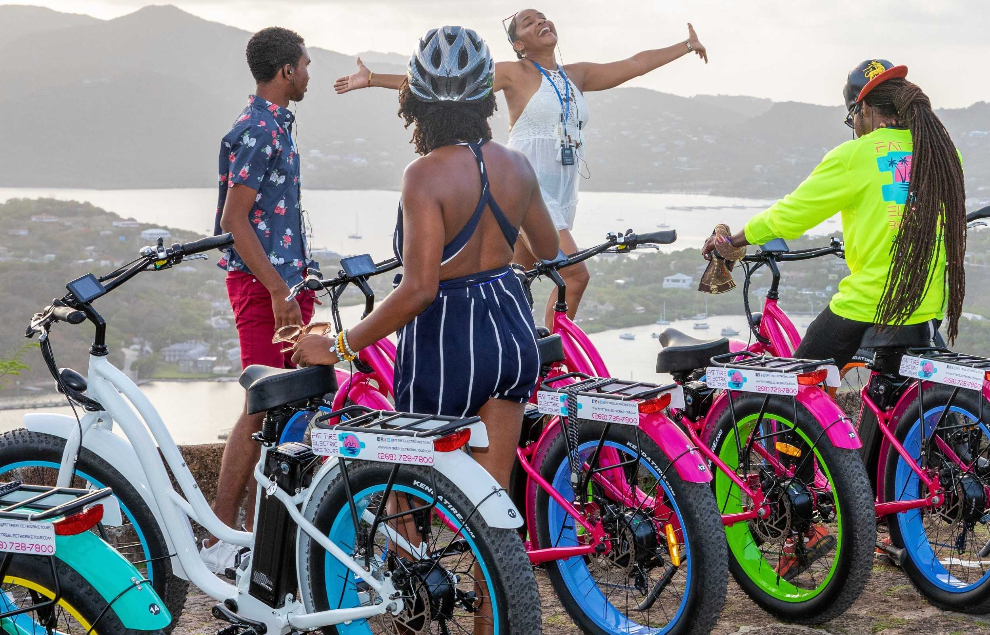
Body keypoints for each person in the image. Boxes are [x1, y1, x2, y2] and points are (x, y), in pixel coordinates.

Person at [292, 26, 559, 635]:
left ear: (416, 100)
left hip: (447, 340)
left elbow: (417, 290)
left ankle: (407, 622)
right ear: (481, 100)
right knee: (489, 517)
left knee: (402, 491)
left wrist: (341, 344)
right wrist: (493, 263)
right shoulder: (517, 165)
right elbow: (545, 251)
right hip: (511, 324)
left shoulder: (423, 176)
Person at [701, 60, 966, 575]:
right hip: (926, 298)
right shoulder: (939, 150)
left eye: (853, 118)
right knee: (888, 406)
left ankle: (806, 521)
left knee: (795, 390)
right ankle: (884, 519)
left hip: (870, 299)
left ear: (863, 109)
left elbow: (791, 215)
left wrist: (732, 243)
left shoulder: (857, 155)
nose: (854, 127)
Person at [334, 9, 707, 328]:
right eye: (529, 23)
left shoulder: (576, 75)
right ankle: (550, 365)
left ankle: (500, 346)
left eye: (542, 17)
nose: (541, 22)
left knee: (512, 280)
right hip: (526, 188)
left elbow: (634, 65)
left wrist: (686, 46)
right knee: (573, 276)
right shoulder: (513, 73)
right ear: (519, 44)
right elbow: (443, 83)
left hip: (561, 193)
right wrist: (372, 80)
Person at [201, 27, 317, 574]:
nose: (309, 73)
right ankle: (221, 536)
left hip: (287, 286)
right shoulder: (255, 129)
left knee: (285, 409)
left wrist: (296, 285)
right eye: (305, 65)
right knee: (262, 405)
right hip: (263, 288)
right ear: (286, 71)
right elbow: (233, 219)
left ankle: (256, 536)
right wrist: (277, 290)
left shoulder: (277, 125)